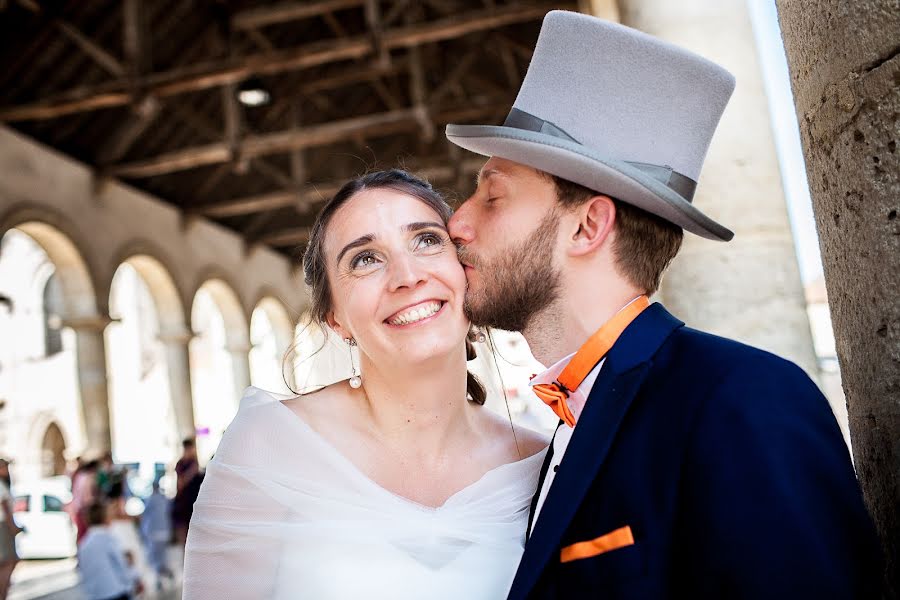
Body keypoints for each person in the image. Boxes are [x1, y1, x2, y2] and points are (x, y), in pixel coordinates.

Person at [445, 10, 882, 599]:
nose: (457, 222)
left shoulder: (742, 399)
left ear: (586, 227)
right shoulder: (566, 429)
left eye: (492, 195)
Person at [183, 169, 548, 599]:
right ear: (335, 318)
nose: (407, 276)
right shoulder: (271, 444)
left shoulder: (541, 463)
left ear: (465, 268)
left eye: (427, 240)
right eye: (365, 259)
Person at [77, 502, 141, 600]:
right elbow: (122, 566)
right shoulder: (109, 539)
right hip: (116, 592)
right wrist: (136, 579)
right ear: (106, 518)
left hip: (95, 595)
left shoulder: (83, 544)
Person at [139, 480, 173, 590]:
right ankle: (166, 576)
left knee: (155, 557)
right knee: (163, 556)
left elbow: (145, 515)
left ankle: (159, 579)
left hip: (154, 533)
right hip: (164, 532)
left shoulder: (151, 500)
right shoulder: (165, 500)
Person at [0, 458, 22, 600]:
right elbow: (6, 510)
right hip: (3, 528)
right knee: (8, 562)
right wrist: (13, 528)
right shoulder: (2, 486)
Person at [171, 438, 200, 546]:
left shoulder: (194, 462)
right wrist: (191, 472)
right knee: (183, 530)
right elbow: (180, 483)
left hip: (193, 499)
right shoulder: (182, 464)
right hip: (184, 501)